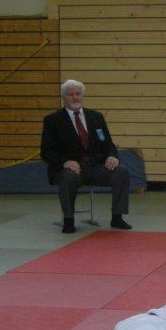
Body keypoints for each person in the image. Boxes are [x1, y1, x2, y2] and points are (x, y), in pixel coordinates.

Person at [40, 79, 131, 233]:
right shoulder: (53, 120)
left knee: (121, 171)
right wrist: (65, 162)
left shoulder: (96, 117)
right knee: (68, 177)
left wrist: (112, 156)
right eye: (70, 94)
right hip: (70, 169)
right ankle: (69, 220)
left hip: (95, 167)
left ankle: (117, 217)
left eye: (78, 94)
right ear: (63, 97)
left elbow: (108, 144)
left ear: (82, 96)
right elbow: (46, 151)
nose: (75, 97)